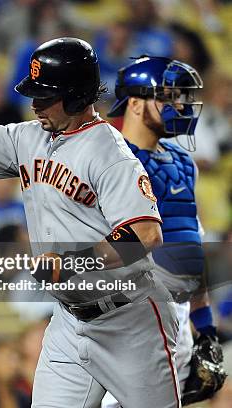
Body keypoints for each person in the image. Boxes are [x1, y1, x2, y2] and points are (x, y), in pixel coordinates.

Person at [0, 37, 181, 407]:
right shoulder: (28, 136)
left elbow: (145, 234)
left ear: (75, 95)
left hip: (130, 321)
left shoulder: (111, 154)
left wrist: (74, 262)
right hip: (70, 322)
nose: (34, 103)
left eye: (45, 95)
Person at [102, 55, 227, 407]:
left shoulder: (184, 163)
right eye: (169, 96)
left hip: (177, 323)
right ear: (137, 103)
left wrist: (205, 329)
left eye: (182, 96)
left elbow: (191, 246)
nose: (181, 106)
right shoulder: (106, 160)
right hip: (128, 325)